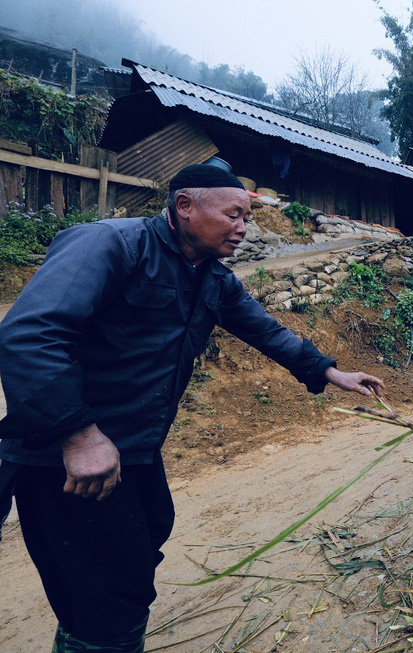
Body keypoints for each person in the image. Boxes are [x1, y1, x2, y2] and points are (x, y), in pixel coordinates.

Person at [0, 163, 385, 652]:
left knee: (131, 561)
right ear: (185, 206)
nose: (244, 227)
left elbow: (266, 331)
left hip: (134, 453)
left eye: (247, 216)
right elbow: (29, 335)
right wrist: (79, 435)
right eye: (233, 214)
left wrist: (329, 371)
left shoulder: (213, 280)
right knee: (110, 597)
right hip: (68, 459)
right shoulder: (112, 245)